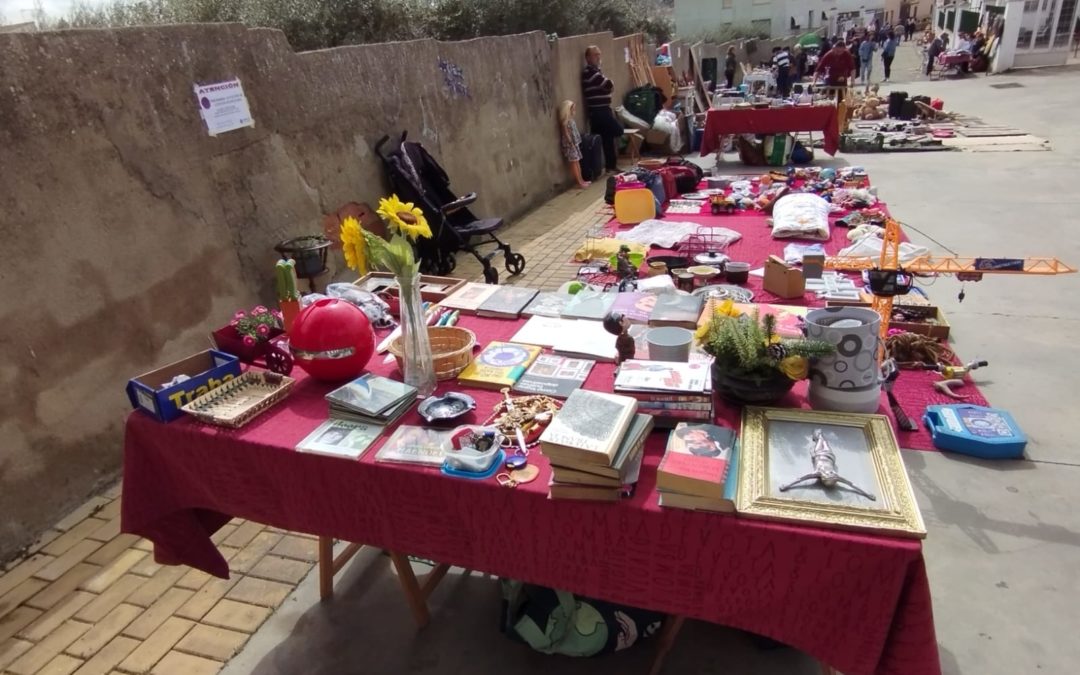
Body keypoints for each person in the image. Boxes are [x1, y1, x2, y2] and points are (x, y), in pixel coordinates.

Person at [580, 46, 622, 173]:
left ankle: (610, 167)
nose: (598, 57)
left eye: (599, 54)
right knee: (618, 130)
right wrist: (609, 84)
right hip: (599, 111)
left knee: (607, 138)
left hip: (603, 110)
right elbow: (609, 85)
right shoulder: (590, 72)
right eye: (595, 55)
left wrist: (608, 85)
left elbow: (607, 86)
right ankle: (600, 167)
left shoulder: (597, 72)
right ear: (587, 58)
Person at [557, 101, 589, 189]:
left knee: (577, 162)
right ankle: (579, 182)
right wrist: (571, 143)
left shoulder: (570, 120)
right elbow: (566, 133)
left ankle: (581, 180)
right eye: (572, 109)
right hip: (570, 145)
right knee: (574, 163)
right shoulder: (565, 121)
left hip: (575, 143)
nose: (574, 111)